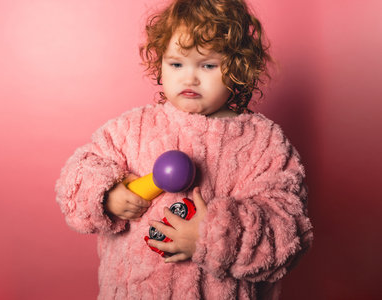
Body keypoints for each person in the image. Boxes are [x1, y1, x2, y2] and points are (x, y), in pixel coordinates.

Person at [55, 0, 313, 299]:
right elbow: (77, 176)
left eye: (208, 65)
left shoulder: (264, 142)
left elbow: (287, 230)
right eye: (176, 63)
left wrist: (214, 236)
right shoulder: (131, 129)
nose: (189, 77)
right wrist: (107, 194)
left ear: (238, 67)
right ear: (160, 64)